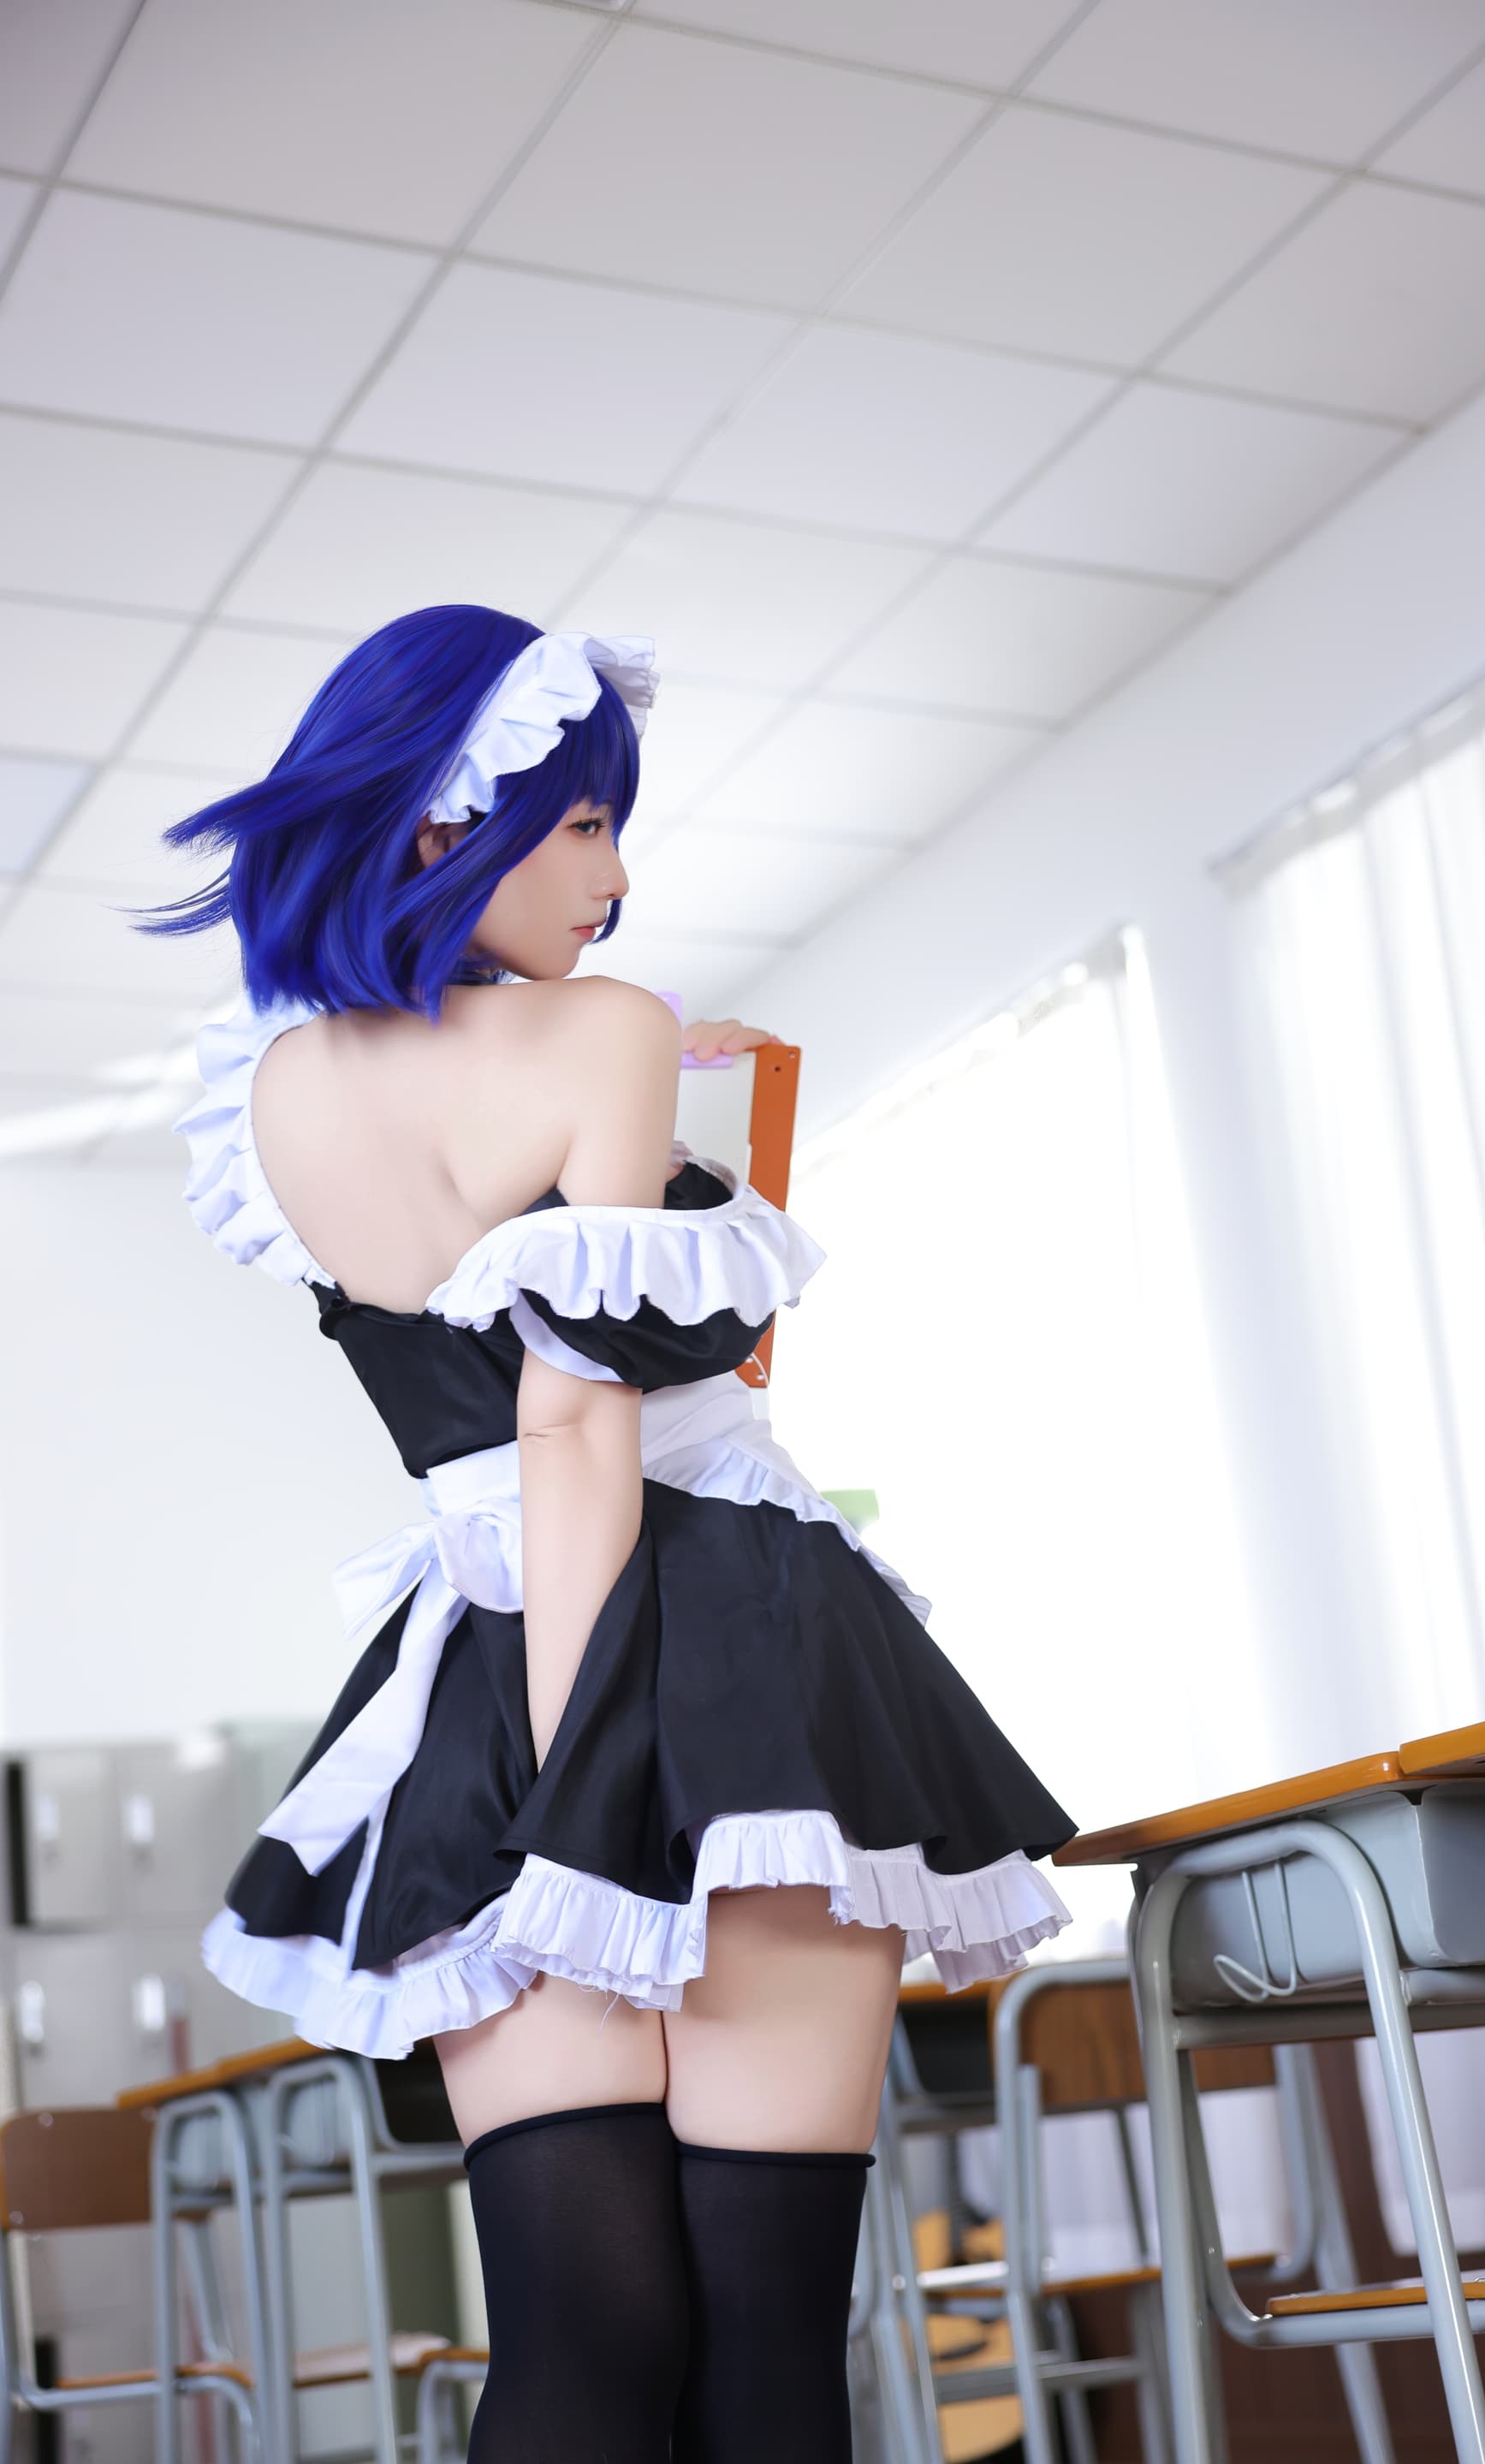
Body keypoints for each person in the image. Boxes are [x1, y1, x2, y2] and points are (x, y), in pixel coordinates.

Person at [142, 603, 1075, 2462]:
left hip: (475, 1673)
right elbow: (578, 1426)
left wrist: (650, 1116)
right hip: (709, 1669)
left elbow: (487, 1370)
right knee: (762, 2347)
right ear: (445, 815)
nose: (617, 875)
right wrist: (597, 1811)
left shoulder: (275, 1090)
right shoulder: (602, 1034)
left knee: (581, 2344)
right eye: (578, 823)